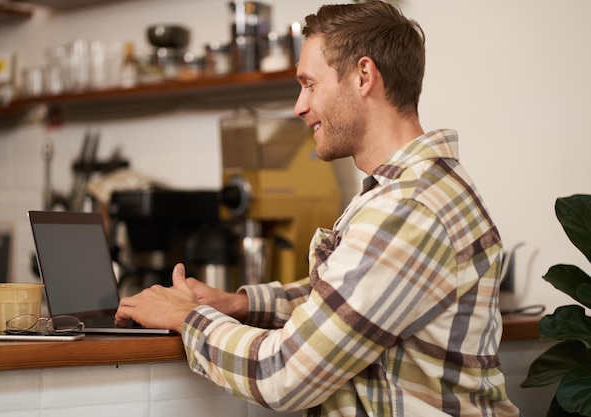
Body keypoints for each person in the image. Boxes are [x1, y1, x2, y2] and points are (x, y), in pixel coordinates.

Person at [115, 2, 521, 416]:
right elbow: (348, 300)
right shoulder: (410, 189)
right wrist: (238, 304)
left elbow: (283, 374)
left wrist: (187, 318)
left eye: (309, 84)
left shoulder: (407, 208)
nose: (299, 106)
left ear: (364, 76)